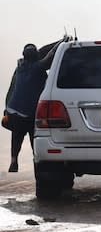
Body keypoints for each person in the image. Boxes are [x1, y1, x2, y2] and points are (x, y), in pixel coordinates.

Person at [4, 36, 68, 172]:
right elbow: (49, 56)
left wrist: (59, 40)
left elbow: (43, 50)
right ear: (36, 57)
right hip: (31, 113)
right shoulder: (38, 67)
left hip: (14, 111)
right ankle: (37, 163)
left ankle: (14, 159)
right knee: (35, 140)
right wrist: (61, 44)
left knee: (17, 136)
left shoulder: (20, 66)